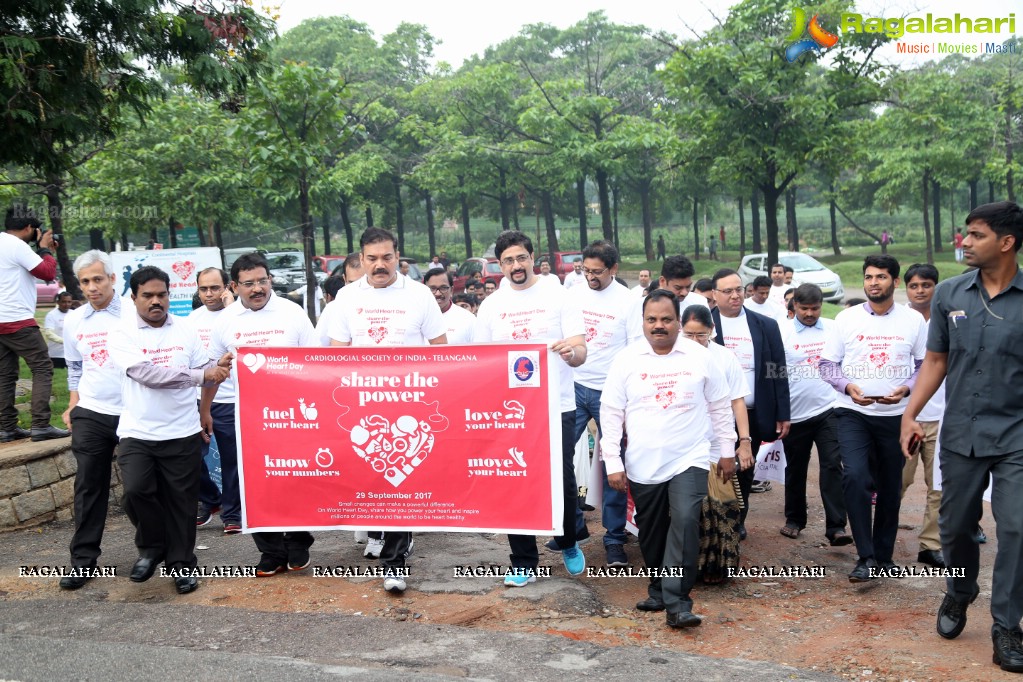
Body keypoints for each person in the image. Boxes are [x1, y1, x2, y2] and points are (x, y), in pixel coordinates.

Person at [900, 201, 1023, 671]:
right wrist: (910, 414)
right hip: (962, 433)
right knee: (954, 527)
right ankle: (959, 591)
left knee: (1016, 527)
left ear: (1006, 242)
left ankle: (1008, 625)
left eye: (975, 235)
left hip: (1017, 434)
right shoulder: (950, 294)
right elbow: (936, 361)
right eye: (964, 234)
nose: (964, 242)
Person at [601, 290, 736, 628]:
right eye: (652, 320)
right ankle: (659, 587)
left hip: (688, 457)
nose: (658, 326)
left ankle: (678, 602)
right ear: (643, 322)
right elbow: (611, 412)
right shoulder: (627, 359)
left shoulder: (700, 356)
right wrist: (612, 460)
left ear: (678, 321)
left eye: (665, 319)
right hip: (643, 462)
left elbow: (720, 406)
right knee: (652, 530)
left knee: (687, 519)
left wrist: (727, 450)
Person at [329, 228, 448, 594]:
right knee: (374, 478)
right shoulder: (346, 298)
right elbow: (336, 356)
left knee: (399, 478)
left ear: (399, 257)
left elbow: (441, 350)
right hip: (362, 407)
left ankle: (395, 562)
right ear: (361, 259)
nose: (380, 265)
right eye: (372, 258)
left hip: (408, 407)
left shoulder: (419, 294)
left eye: (387, 257)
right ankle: (387, 538)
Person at [473, 230, 587, 587]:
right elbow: (481, 361)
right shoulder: (492, 306)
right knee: (514, 482)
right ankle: (523, 560)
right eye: (508, 260)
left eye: (521, 258)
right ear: (499, 265)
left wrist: (571, 354)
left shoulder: (559, 295)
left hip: (558, 405)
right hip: (511, 412)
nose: (516, 266)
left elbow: (580, 349)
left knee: (563, 481)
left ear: (532, 258)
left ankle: (568, 540)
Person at [108, 266, 232, 595]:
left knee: (182, 503)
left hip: (182, 431)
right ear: (133, 298)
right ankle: (152, 547)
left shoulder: (186, 330)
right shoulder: (122, 334)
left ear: (169, 296)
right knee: (135, 491)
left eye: (161, 295)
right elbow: (147, 374)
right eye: (147, 295)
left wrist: (205, 407)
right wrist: (200, 376)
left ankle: (182, 566)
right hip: (138, 433)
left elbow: (209, 370)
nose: (155, 301)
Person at [204, 253, 318, 578]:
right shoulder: (225, 321)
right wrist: (205, 410)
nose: (258, 289)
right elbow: (214, 371)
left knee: (294, 479)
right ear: (234, 286)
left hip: (294, 415)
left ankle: (299, 540)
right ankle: (270, 550)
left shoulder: (293, 314)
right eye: (249, 283)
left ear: (271, 279)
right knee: (252, 484)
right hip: (247, 417)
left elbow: (316, 362)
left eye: (262, 280)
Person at [820, 254, 926, 583]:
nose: (872, 283)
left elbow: (925, 366)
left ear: (894, 282)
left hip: (896, 417)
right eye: (868, 277)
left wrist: (907, 390)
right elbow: (827, 365)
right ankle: (865, 556)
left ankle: (884, 556)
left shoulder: (913, 321)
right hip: (853, 412)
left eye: (880, 277)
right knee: (854, 476)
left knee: (891, 488)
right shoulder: (846, 318)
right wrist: (848, 386)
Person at [58, 251, 124, 590]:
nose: (91, 287)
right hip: (92, 412)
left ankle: (163, 554)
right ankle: (83, 561)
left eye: (98, 279)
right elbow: (75, 368)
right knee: (87, 486)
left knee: (142, 489)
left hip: (133, 413)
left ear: (112, 279)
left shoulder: (133, 312)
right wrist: (73, 405)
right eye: (85, 281)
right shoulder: (75, 320)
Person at [566, 240, 633, 568]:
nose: (590, 277)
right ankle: (572, 526)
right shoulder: (573, 294)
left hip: (611, 394)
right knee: (559, 457)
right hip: (574, 388)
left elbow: (635, 349)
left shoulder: (628, 301)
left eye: (597, 272)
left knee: (613, 466)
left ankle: (615, 538)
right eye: (586, 270)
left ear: (614, 269)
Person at [710, 268, 790, 539]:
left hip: (755, 411)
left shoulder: (765, 325)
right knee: (715, 466)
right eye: (727, 291)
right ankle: (714, 518)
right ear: (714, 294)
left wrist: (782, 412)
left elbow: (776, 369)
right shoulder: (704, 325)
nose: (735, 295)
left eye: (739, 289)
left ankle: (738, 519)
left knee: (745, 468)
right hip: (714, 413)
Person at [679, 304, 754, 582]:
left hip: (717, 445)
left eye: (701, 335)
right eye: (689, 335)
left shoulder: (725, 358)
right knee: (690, 509)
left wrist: (743, 442)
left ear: (712, 331)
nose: (696, 341)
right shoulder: (672, 358)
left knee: (722, 507)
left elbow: (737, 401)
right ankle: (688, 569)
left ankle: (718, 567)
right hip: (684, 444)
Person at [779, 284, 851, 546]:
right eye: (804, 308)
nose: (810, 313)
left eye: (815, 308)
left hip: (829, 408)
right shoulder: (782, 331)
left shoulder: (833, 329)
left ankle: (836, 526)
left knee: (833, 464)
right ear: (794, 306)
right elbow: (774, 375)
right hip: (795, 414)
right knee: (796, 468)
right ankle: (795, 520)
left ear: (821, 305)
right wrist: (780, 412)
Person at [0, 205, 68, 443]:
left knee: (5, 375)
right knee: (42, 367)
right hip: (17, 319)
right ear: (29, 228)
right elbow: (48, 273)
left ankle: (6, 428)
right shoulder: (17, 245)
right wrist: (44, 249)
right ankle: (41, 425)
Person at [899, 263, 945, 569]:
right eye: (914, 286)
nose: (920, 291)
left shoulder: (949, 319)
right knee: (897, 481)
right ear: (906, 289)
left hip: (943, 416)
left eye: (926, 285)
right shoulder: (900, 321)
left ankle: (930, 545)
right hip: (904, 418)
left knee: (939, 487)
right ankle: (882, 537)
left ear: (935, 287)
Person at [188, 268, 240, 534]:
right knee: (191, 456)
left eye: (215, 288)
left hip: (232, 399)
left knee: (232, 459)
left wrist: (231, 306)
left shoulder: (238, 315)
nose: (210, 294)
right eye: (204, 289)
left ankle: (232, 513)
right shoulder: (191, 320)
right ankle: (210, 499)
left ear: (227, 287)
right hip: (198, 397)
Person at [627, 255, 707, 344]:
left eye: (688, 287)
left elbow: (709, 340)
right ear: (662, 281)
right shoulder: (637, 306)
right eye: (678, 287)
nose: (684, 293)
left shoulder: (699, 302)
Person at [425, 267, 474, 345]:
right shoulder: (412, 317)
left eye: (443, 288)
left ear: (451, 290)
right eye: (432, 288)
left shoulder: (468, 319)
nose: (438, 293)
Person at [43, 292, 72, 369]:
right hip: (56, 355)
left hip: (71, 354)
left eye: (69, 302)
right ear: (58, 302)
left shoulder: (74, 314)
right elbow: (49, 333)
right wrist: (64, 341)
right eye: (64, 302)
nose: (66, 304)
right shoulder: (51, 315)